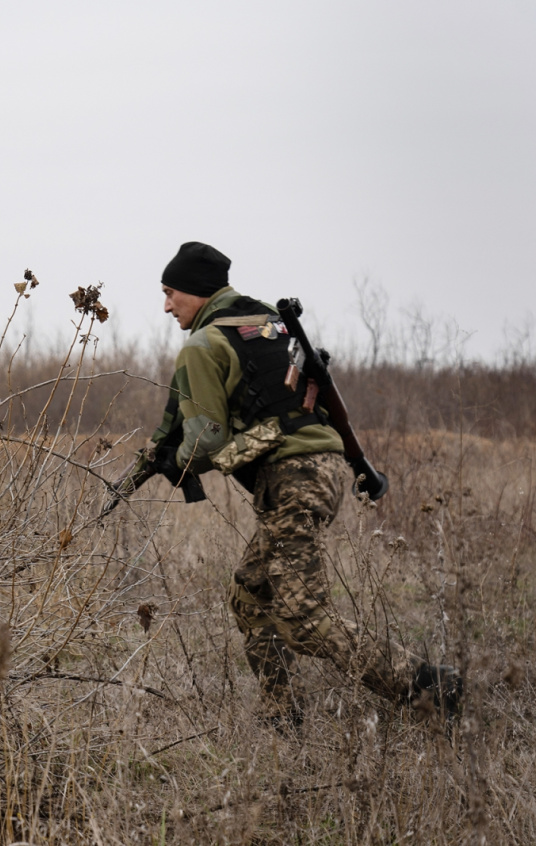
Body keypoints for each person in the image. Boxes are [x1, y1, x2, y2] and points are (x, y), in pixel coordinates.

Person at [131, 241, 461, 726]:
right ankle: (281, 715)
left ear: (196, 291)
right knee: (250, 593)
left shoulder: (203, 345)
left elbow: (206, 440)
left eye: (169, 293)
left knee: (304, 620)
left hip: (292, 477)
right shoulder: (267, 322)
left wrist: (175, 461)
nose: (165, 306)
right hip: (321, 467)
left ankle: (433, 689)